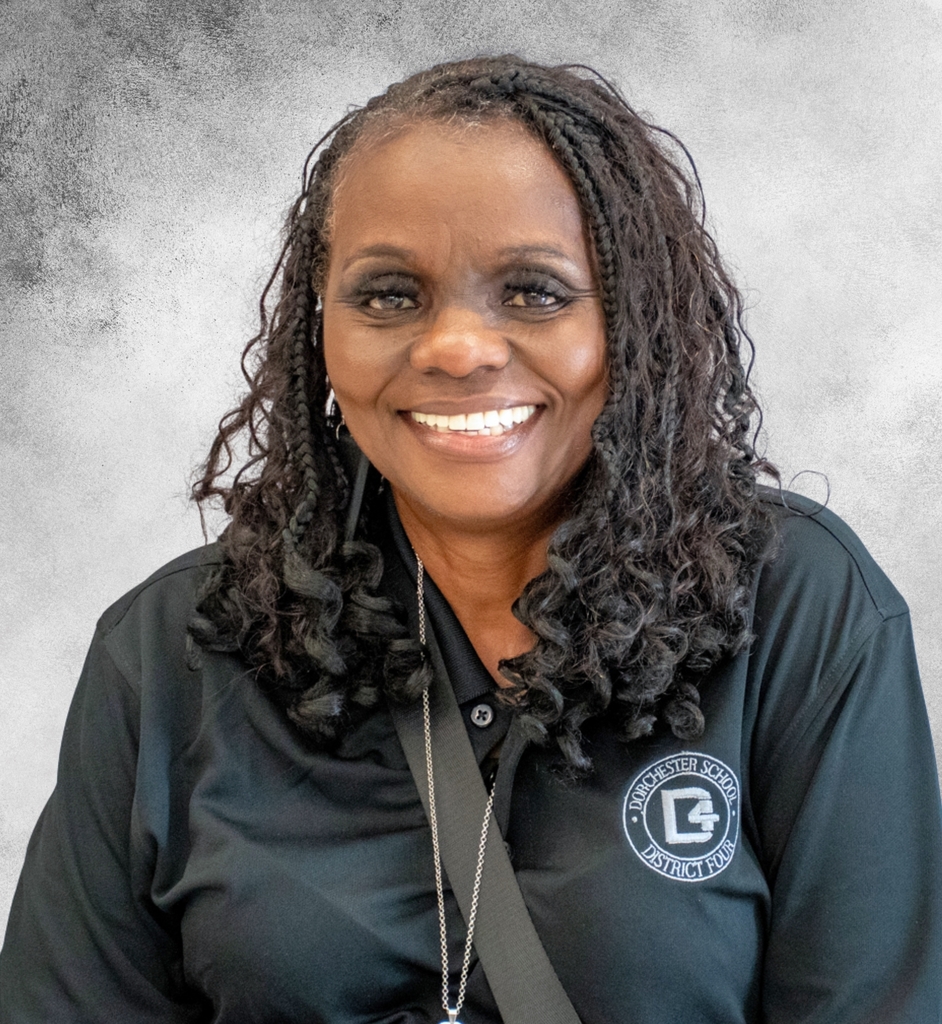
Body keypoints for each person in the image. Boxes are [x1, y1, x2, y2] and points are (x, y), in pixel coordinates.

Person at [1, 55, 940, 1023]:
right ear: (320, 328)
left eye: (534, 291)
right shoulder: (168, 655)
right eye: (389, 295)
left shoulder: (801, 615)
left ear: (632, 322)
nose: (457, 346)